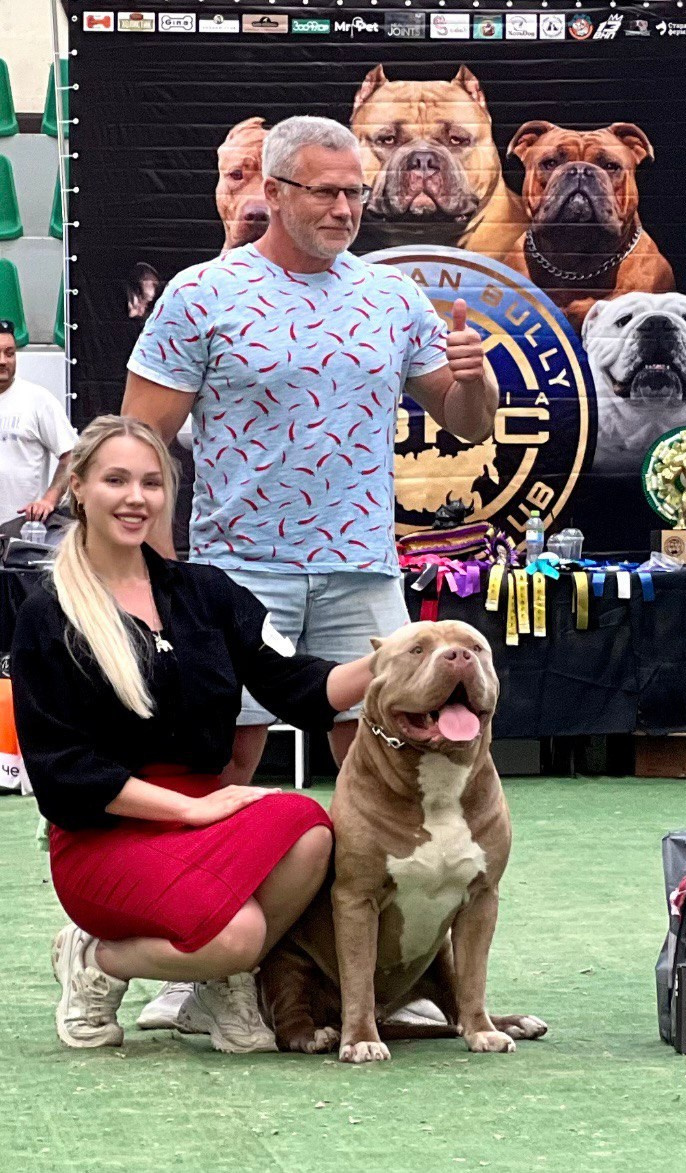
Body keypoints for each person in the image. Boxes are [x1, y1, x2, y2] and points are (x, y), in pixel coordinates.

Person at [121, 114, 496, 785]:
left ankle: (369, 867)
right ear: (273, 190)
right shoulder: (201, 294)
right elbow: (138, 447)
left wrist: (475, 378)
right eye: (325, 192)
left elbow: (468, 423)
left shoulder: (393, 297)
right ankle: (212, 862)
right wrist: (157, 575)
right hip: (240, 569)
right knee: (226, 758)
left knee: (386, 764)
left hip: (362, 568)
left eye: (355, 192)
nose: (345, 209)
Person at [11, 416, 380, 1052]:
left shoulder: (207, 591)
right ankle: (97, 960)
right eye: (116, 480)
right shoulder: (48, 612)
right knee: (238, 935)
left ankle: (216, 983)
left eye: (151, 483)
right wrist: (191, 808)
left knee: (311, 831)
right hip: (104, 832)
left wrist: (394, 659)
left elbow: (297, 684)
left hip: (204, 814)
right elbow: (62, 769)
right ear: (78, 488)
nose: (136, 498)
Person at [0, 319, 78, 524]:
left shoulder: (37, 400)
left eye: (9, 353)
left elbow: (72, 454)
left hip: (22, 530)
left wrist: (49, 500)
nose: (3, 361)